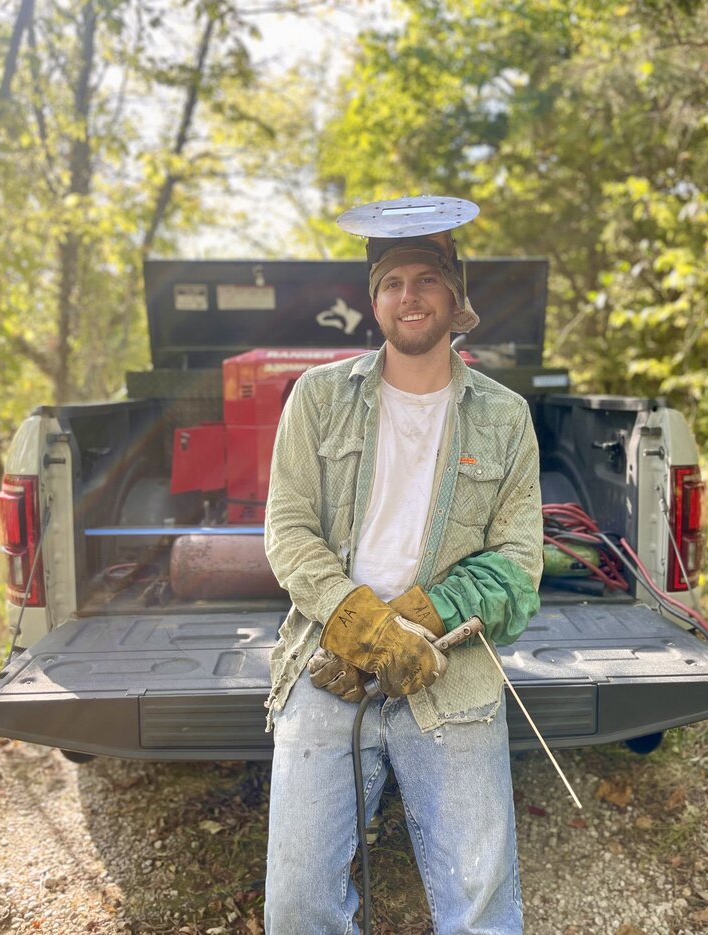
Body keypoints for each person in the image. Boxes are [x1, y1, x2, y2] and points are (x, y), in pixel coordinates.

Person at [262, 197, 543, 935]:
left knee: (482, 910)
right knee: (296, 908)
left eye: (426, 280)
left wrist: (415, 620)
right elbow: (288, 532)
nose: (408, 296)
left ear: (456, 296)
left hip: (452, 674)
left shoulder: (505, 417)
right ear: (373, 299)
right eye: (392, 282)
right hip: (330, 666)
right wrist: (361, 623)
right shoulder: (318, 399)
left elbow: (517, 566)